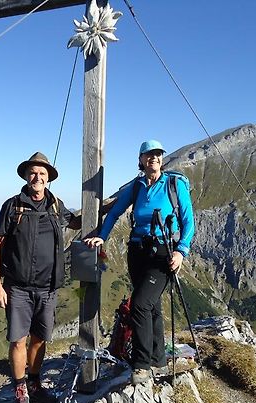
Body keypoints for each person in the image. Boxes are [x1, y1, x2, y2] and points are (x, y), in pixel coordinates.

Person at [84, 140, 195, 385]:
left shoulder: (174, 184)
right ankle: (158, 357)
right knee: (152, 306)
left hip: (163, 253)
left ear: (161, 159)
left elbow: (188, 221)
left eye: (157, 154)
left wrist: (181, 252)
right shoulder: (137, 186)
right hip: (137, 251)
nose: (153, 158)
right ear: (141, 159)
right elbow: (114, 213)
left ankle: (142, 364)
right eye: (149, 154)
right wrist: (102, 237)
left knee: (141, 305)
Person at [0, 151, 80, 403]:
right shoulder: (13, 205)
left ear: (48, 178)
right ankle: (20, 392)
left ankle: (34, 383)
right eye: (33, 172)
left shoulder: (55, 205)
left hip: (48, 287)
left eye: (42, 173)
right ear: (26, 176)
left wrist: (107, 206)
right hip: (17, 286)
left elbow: (75, 222)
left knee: (40, 339)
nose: (37, 177)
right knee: (18, 340)